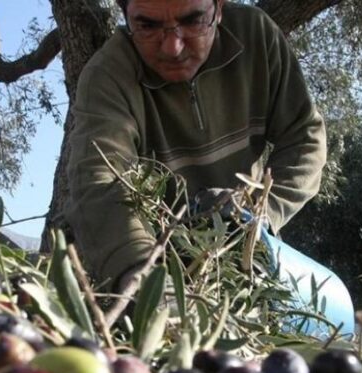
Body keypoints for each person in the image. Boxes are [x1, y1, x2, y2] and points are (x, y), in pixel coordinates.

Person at [64, 0, 327, 290]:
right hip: (161, 264)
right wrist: (143, 275)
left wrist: (258, 215)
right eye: (147, 26)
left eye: (193, 20)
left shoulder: (255, 35)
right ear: (125, 16)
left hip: (249, 268)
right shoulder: (107, 76)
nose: (172, 48)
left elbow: (304, 135)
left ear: (219, 8)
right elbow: (97, 180)